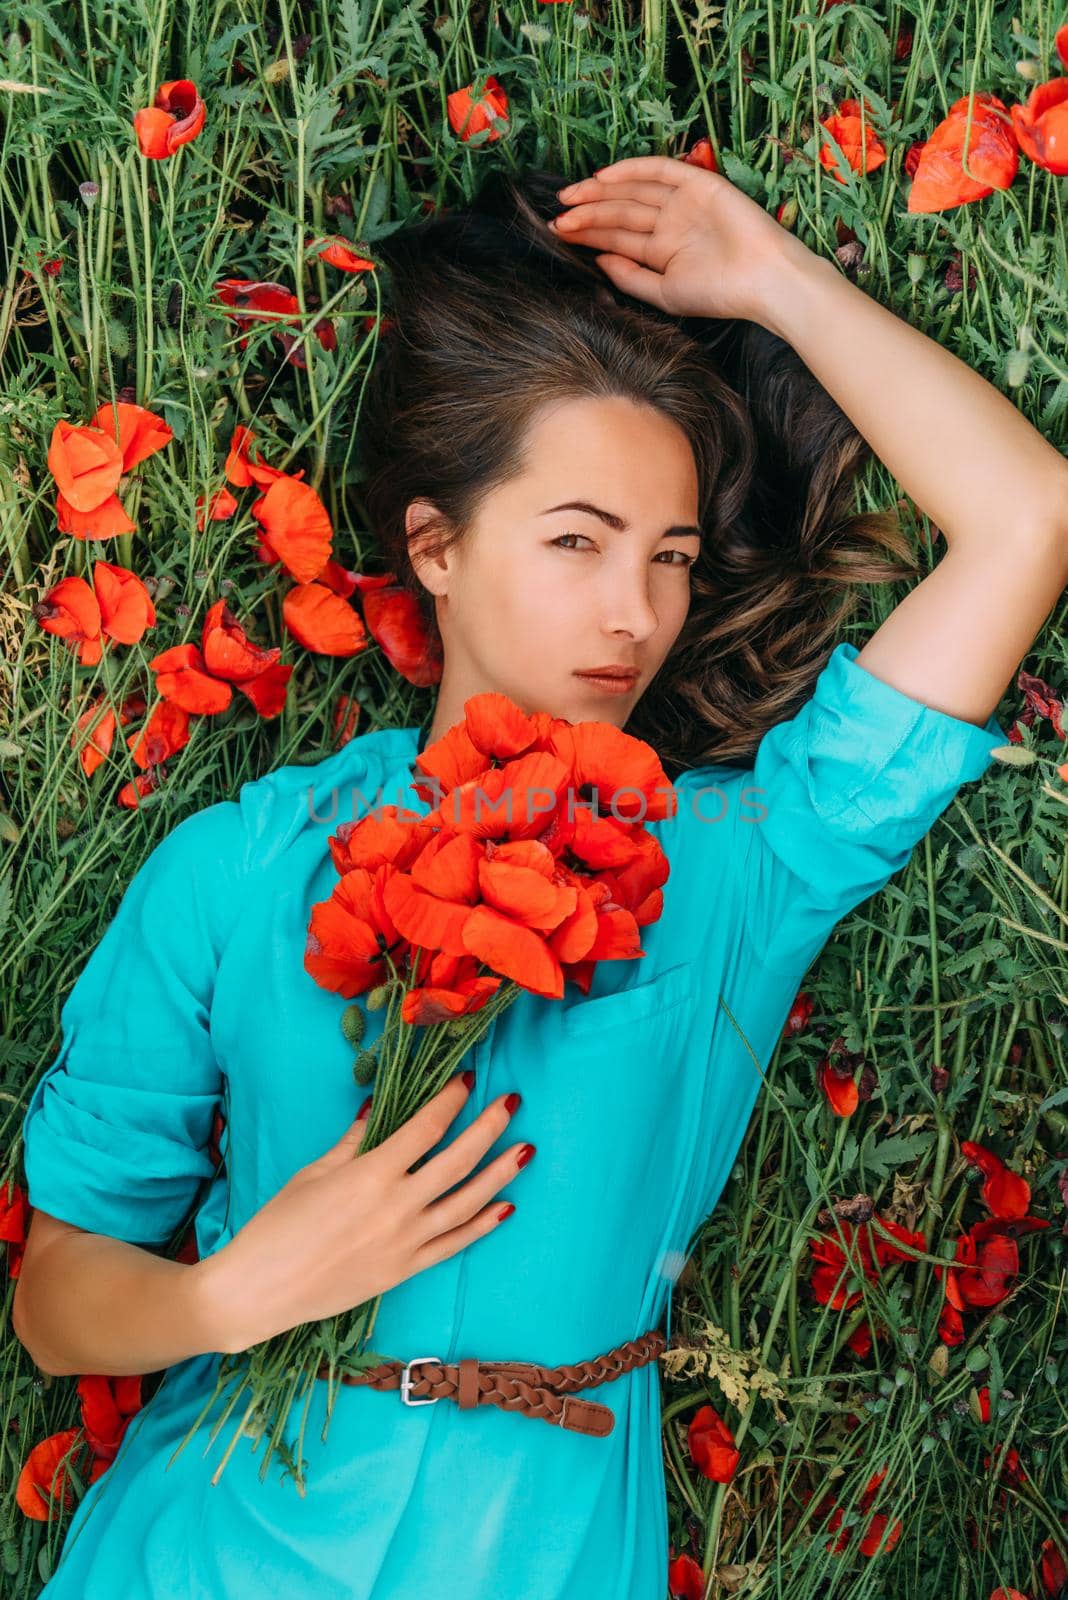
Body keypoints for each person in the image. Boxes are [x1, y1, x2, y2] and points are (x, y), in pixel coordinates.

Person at [13, 157, 1068, 1600]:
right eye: (577, 542)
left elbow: (1027, 519)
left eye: (673, 558)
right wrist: (231, 1292)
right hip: (207, 1553)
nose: (635, 615)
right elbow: (60, 1298)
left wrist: (772, 279)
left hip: (556, 1555)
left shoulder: (738, 867)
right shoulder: (243, 863)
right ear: (434, 548)